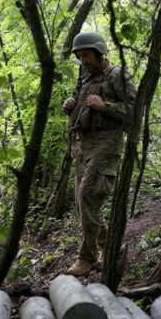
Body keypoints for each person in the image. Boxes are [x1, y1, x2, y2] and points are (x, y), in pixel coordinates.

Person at [62, 31, 136, 277]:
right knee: (85, 205)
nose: (83, 60)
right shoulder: (85, 79)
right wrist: (73, 107)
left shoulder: (117, 76)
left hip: (107, 146)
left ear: (99, 52)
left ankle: (87, 258)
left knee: (87, 197)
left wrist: (105, 106)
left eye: (86, 54)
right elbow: (86, 112)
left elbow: (135, 111)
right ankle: (108, 247)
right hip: (83, 148)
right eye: (80, 55)